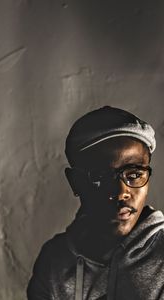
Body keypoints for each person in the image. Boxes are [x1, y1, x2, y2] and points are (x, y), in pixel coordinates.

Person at [27, 106, 164, 300]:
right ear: (75, 182)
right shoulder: (53, 262)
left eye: (134, 175)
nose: (121, 192)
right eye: (100, 177)